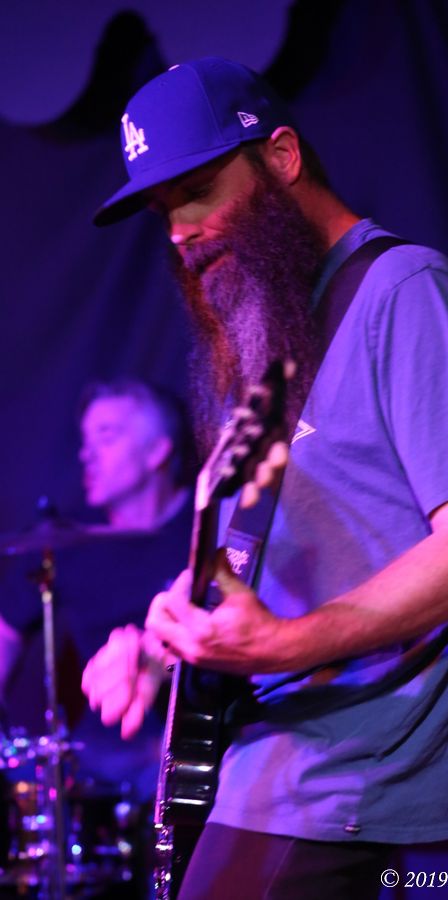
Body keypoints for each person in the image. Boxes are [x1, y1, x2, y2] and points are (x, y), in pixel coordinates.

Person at [81, 58, 448, 899]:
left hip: (339, 770)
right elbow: (255, 566)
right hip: (263, 758)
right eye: (164, 210)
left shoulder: (407, 291)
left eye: (197, 192)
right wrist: (167, 648)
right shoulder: (274, 325)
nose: (179, 232)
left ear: (281, 156)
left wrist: (283, 645)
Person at [0, 379, 196, 895]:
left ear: (157, 451)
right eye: (86, 439)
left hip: (196, 750)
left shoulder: (208, 528)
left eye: (106, 436)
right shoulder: (66, 543)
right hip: (103, 759)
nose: (87, 453)